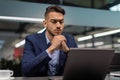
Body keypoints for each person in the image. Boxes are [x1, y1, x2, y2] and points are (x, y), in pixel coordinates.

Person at [22, 5, 78, 77]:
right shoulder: (32, 40)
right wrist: (51, 49)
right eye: (53, 21)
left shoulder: (70, 40)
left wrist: (68, 52)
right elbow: (26, 70)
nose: (58, 25)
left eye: (61, 22)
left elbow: (79, 68)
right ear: (45, 23)